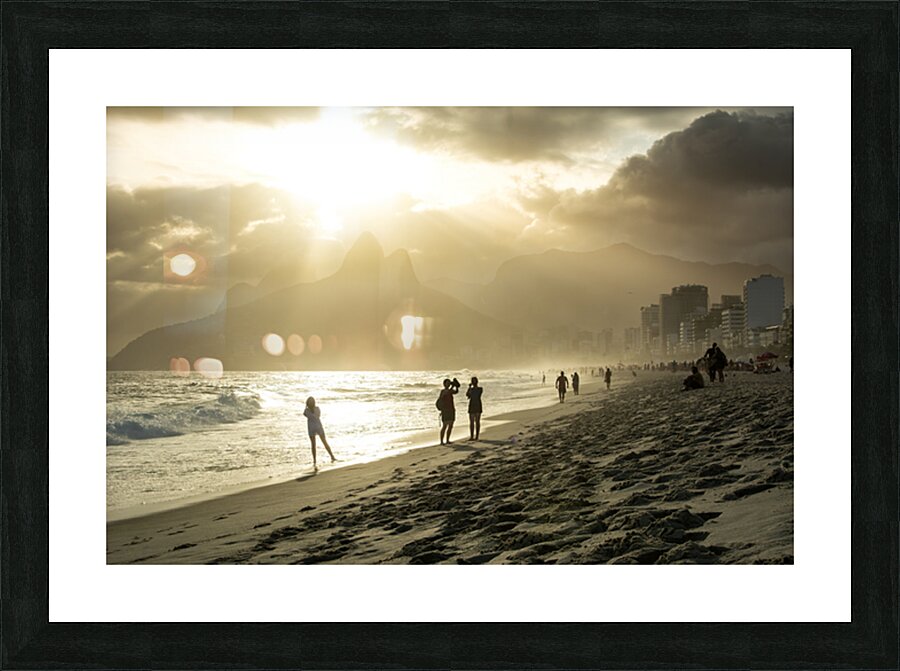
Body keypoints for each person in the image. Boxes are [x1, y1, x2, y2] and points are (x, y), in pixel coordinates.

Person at [304, 396, 336, 469]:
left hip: (314, 427)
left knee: (317, 444)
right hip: (316, 426)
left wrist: (310, 412)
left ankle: (317, 460)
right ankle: (330, 456)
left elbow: (309, 415)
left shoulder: (309, 410)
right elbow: (316, 416)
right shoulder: (314, 409)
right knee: (320, 443)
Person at [436, 377, 460, 445]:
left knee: (450, 425)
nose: (448, 384)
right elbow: (447, 393)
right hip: (445, 410)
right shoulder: (443, 391)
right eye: (447, 383)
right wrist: (453, 386)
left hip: (451, 409)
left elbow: (456, 392)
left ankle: (447, 440)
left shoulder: (450, 390)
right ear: (444, 384)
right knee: (445, 426)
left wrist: (456, 386)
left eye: (449, 383)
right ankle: (441, 441)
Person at [466, 376, 483, 441]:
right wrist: (469, 388)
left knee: (477, 421)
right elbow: (467, 395)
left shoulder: (480, 389)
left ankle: (476, 436)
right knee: (472, 422)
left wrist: (470, 389)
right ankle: (472, 436)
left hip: (477, 405)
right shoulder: (472, 389)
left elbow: (476, 395)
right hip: (473, 405)